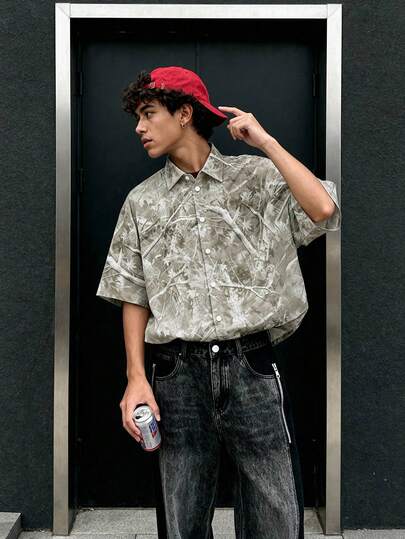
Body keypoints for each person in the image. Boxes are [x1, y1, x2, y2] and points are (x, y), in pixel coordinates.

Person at [96, 65, 341, 539]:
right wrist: (136, 378)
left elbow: (323, 209)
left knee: (276, 516)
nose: (139, 127)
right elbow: (132, 291)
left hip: (251, 365)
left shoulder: (256, 178)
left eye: (149, 113)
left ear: (184, 113)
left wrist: (265, 142)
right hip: (177, 374)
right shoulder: (142, 202)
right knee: (182, 518)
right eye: (138, 117)